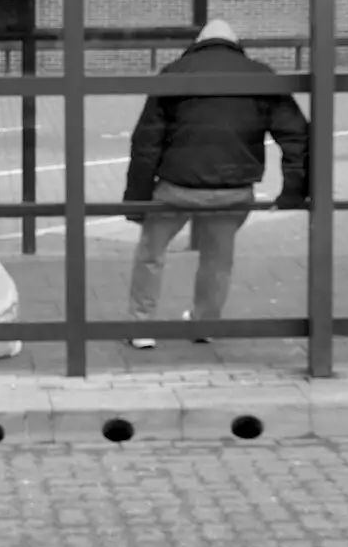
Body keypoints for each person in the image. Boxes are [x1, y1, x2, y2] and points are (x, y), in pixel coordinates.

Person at [121, 19, 309, 348]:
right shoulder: (261, 76)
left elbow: (147, 142)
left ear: (199, 42)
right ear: (235, 43)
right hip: (233, 191)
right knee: (217, 260)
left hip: (176, 189)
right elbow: (296, 137)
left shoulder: (175, 73)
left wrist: (137, 200)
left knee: (151, 253)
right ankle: (205, 324)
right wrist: (293, 191)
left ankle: (141, 326)